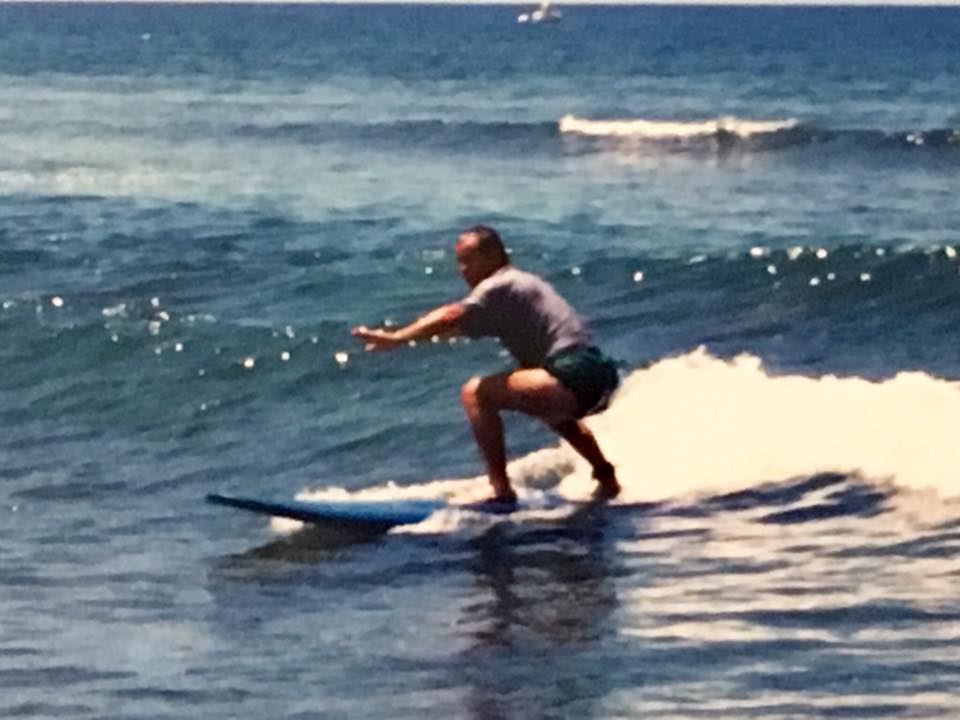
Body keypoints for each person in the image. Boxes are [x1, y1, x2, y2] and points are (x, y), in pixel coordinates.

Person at [351, 225, 620, 503]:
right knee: (549, 409)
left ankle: (500, 490)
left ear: (492, 257)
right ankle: (605, 474)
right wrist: (410, 339)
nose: (462, 270)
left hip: (572, 370)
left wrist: (397, 337)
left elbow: (451, 315)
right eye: (459, 262)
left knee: (475, 393)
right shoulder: (519, 289)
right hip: (598, 376)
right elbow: (453, 329)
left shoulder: (500, 283)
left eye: (468, 260)